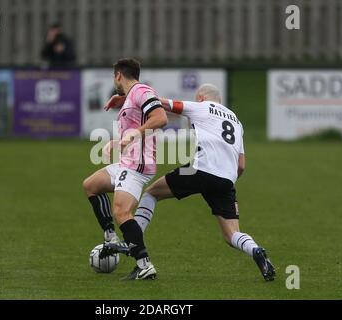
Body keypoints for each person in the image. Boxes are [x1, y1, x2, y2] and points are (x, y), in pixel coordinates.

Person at [105, 83, 276, 281]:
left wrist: (126, 99)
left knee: (152, 193)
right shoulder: (237, 122)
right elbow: (241, 166)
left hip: (199, 170)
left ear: (201, 97)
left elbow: (158, 104)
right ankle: (256, 250)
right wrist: (225, 181)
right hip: (227, 179)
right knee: (232, 235)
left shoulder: (201, 107)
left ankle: (132, 241)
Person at [82, 58, 168, 280]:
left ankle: (144, 265)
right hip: (126, 162)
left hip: (138, 164)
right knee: (91, 185)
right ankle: (110, 237)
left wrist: (136, 133)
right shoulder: (133, 95)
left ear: (118, 75)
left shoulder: (140, 90)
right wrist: (122, 101)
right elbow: (136, 115)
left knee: (121, 211)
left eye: (114, 77)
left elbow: (160, 117)